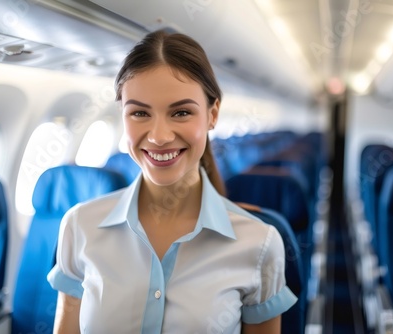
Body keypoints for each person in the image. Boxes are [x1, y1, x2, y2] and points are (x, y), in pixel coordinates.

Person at [47, 29, 297, 334]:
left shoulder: (259, 244)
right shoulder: (80, 225)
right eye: (139, 112)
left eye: (180, 112)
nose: (159, 136)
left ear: (212, 114)